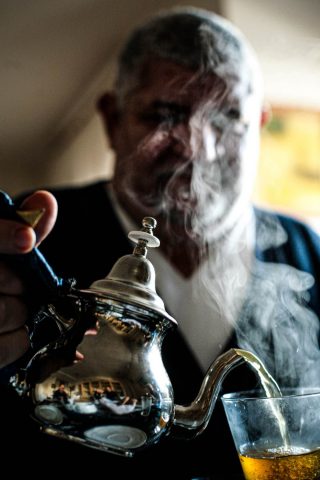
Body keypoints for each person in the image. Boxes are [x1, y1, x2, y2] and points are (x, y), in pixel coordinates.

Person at [0, 6, 319, 479]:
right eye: (166, 114)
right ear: (112, 120)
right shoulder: (31, 241)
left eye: (228, 116)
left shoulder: (309, 253)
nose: (197, 149)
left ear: (260, 122)